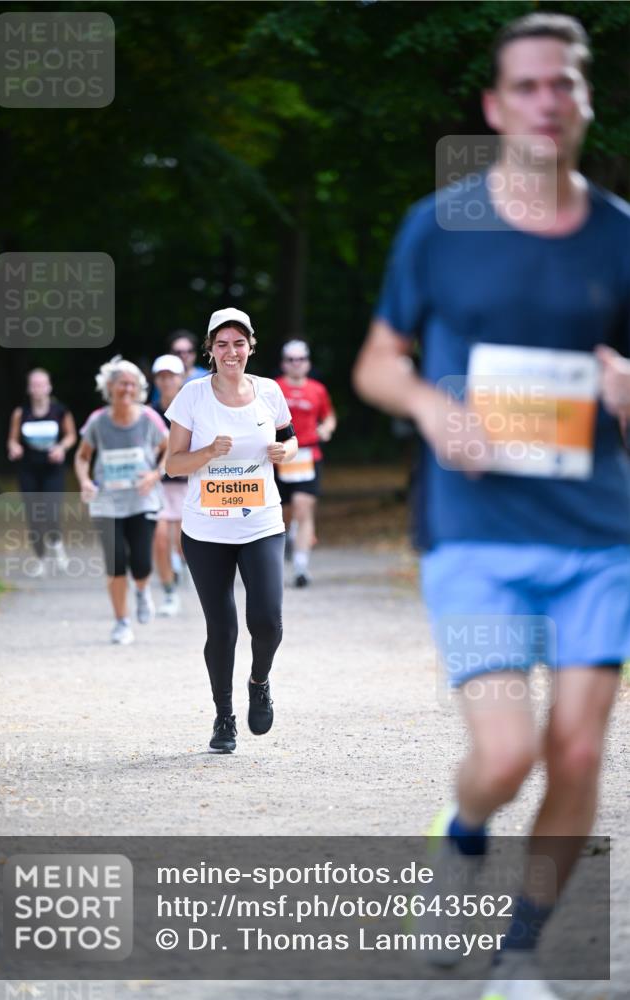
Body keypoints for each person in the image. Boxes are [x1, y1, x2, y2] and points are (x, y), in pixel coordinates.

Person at [353, 13, 630, 1000]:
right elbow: (378, 363)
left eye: (564, 84)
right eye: (526, 86)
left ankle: (518, 954)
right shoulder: (438, 228)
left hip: (599, 532)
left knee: (580, 745)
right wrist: (430, 404)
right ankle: (460, 834)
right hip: (475, 528)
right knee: (507, 752)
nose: (547, 101)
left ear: (585, 98)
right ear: (494, 105)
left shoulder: (621, 235)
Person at [165, 307, 297, 753]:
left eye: (238, 343)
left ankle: (259, 681)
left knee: (268, 622)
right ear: (210, 349)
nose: (231, 351)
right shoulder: (193, 396)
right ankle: (224, 717)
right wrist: (205, 452)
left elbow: (291, 435)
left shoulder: (270, 391)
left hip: (261, 522)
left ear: (250, 346)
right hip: (206, 530)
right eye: (221, 343)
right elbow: (172, 463)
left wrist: (286, 449)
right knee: (222, 628)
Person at [74, 356, 168, 645]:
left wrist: (155, 474)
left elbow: (169, 451)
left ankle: (141, 591)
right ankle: (121, 621)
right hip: (107, 502)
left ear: (138, 388)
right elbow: (81, 456)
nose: (126, 389)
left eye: (132, 384)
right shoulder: (98, 421)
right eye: (121, 383)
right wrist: (85, 481)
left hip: (142, 500)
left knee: (140, 562)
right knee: (115, 563)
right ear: (110, 386)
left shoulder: (149, 418)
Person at [275, 340, 337, 587]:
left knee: (303, 507)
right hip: (280, 456)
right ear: (283, 363)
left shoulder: (317, 390)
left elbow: (328, 415)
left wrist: (327, 428)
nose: (296, 364)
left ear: (308, 363)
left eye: (300, 359)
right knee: (285, 512)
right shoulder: (274, 388)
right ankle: (288, 540)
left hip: (308, 455)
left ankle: (301, 566)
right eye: (291, 359)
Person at [7, 368, 77, 575]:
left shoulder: (60, 411)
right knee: (34, 515)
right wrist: (14, 447)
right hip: (28, 468)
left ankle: (57, 545)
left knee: (51, 511)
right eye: (34, 385)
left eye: (42, 384)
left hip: (53, 468)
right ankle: (40, 559)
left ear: (49, 387)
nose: (38, 389)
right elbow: (12, 439)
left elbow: (71, 435)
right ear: (29, 388)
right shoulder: (21, 413)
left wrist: (61, 448)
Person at [150, 354, 187, 615]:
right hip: (157, 486)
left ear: (181, 378)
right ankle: (169, 591)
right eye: (161, 377)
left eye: (171, 376)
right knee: (160, 539)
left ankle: (181, 563)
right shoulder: (149, 413)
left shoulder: (192, 409)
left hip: (188, 484)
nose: (166, 381)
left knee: (185, 542)